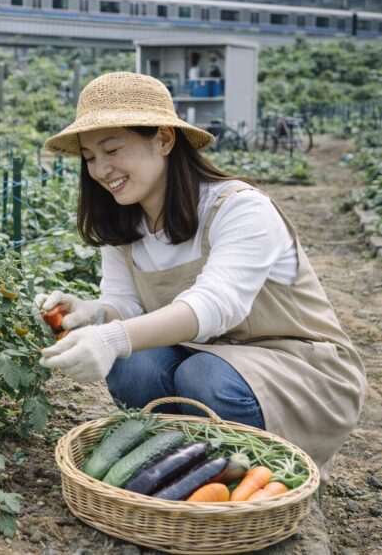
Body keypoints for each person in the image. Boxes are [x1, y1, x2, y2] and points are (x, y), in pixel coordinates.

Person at [36, 72, 365, 481]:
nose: (101, 169)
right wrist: (95, 315)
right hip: (207, 354)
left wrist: (113, 337)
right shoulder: (123, 222)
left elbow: (216, 305)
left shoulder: (238, 208)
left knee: (200, 376)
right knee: (132, 364)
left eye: (113, 149)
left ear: (164, 139)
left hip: (296, 368)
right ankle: (182, 464)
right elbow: (128, 306)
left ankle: (255, 468)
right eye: (89, 157)